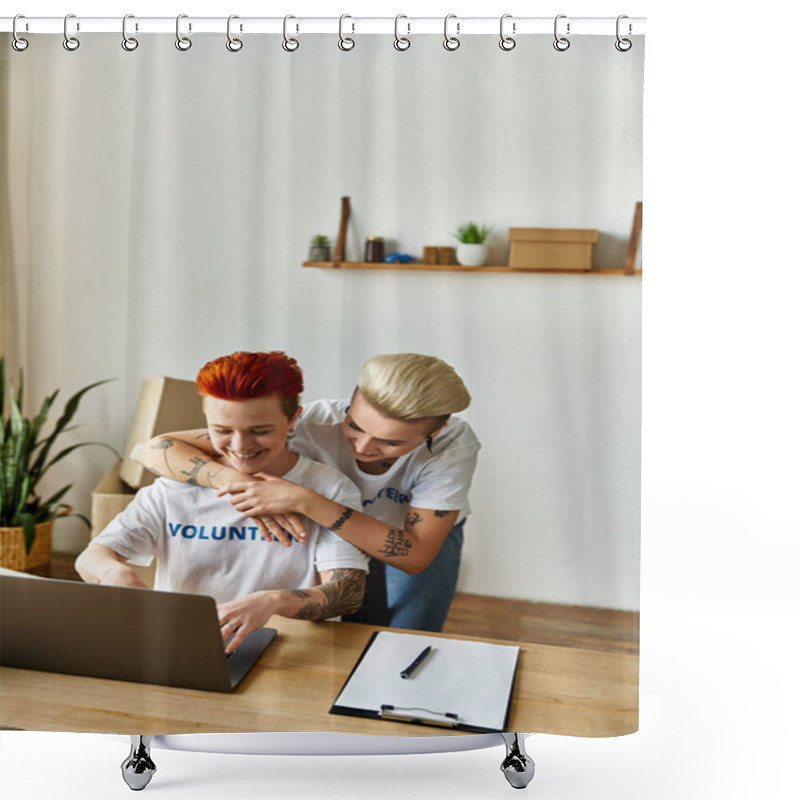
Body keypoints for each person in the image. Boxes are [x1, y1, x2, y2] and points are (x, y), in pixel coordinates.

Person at [132, 353, 480, 633]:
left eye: (390, 442)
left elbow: (414, 555)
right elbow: (151, 449)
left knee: (413, 632)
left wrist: (303, 500)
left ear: (436, 431)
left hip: (413, 535)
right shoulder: (311, 420)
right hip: (333, 532)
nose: (363, 446)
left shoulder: (453, 445)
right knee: (352, 630)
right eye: (354, 426)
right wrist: (239, 484)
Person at [76, 351, 368, 654]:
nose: (240, 447)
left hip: (293, 654)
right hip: (183, 649)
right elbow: (90, 558)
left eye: (261, 431)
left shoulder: (329, 489)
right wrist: (113, 572)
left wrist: (272, 601)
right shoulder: (174, 486)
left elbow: (347, 593)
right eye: (223, 431)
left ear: (294, 418)